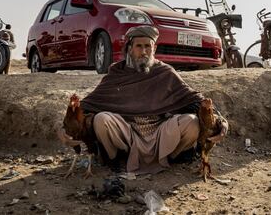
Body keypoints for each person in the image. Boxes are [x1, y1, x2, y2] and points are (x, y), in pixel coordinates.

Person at [59, 25, 228, 174]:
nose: (144, 51)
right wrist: (63, 128)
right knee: (101, 119)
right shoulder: (117, 72)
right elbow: (89, 104)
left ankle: (173, 158)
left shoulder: (165, 72)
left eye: (148, 46)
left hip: (161, 132)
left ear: (154, 49)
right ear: (130, 49)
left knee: (191, 122)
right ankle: (116, 161)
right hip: (127, 133)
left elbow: (194, 99)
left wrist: (220, 121)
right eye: (139, 46)